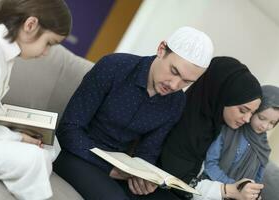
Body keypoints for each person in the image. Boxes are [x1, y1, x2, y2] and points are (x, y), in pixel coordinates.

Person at [54, 26, 214, 200]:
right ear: (161, 49)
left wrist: (144, 176)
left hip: (122, 169)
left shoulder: (177, 101)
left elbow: (148, 151)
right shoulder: (113, 67)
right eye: (174, 71)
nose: (175, 85)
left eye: (186, 81)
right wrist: (110, 169)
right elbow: (69, 129)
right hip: (75, 153)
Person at [0, 0, 71, 199]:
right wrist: (16, 137)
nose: (46, 52)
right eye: (49, 43)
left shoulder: (4, 55)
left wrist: (17, 128)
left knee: (50, 143)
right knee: (34, 158)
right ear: (30, 25)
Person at [159, 56, 263, 199]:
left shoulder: (216, 127)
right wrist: (229, 190)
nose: (247, 119)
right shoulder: (180, 121)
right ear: (222, 96)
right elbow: (174, 179)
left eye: (252, 113)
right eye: (243, 110)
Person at [195, 85, 279, 200]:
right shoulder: (228, 130)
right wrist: (235, 187)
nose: (265, 126)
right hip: (212, 191)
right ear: (253, 111)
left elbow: (257, 180)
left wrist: (253, 194)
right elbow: (210, 165)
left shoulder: (265, 148)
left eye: (272, 123)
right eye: (261, 118)